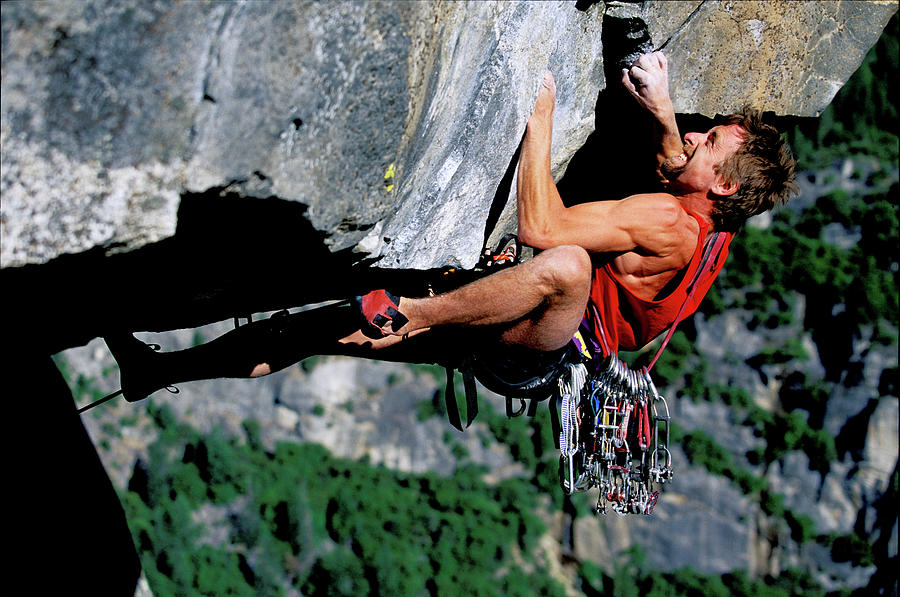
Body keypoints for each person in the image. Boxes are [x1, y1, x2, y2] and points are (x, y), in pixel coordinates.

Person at [104, 52, 796, 405]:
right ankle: (154, 370)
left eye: (711, 143)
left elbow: (541, 224)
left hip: (538, 353)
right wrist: (667, 113)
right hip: (516, 322)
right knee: (304, 331)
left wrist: (540, 120)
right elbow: (676, 161)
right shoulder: (714, 219)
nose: (696, 139)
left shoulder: (671, 219)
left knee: (570, 267)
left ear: (725, 184)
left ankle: (411, 313)